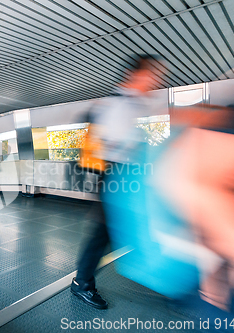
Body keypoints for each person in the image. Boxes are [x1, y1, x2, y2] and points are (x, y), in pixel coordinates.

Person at [71, 55, 164, 309]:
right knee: (103, 231)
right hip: (114, 175)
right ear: (136, 75)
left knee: (124, 224)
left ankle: (150, 272)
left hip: (124, 173)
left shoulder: (134, 103)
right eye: (152, 74)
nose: (156, 80)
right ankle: (82, 283)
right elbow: (111, 147)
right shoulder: (118, 105)